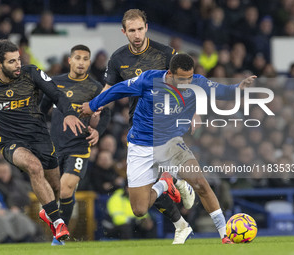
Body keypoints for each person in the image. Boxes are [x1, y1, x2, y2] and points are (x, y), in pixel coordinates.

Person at [82, 53, 257, 244]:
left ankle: (224, 234)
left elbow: (221, 91)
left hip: (171, 143)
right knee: (140, 209)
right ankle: (165, 183)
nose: (186, 82)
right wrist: (93, 105)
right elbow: (117, 90)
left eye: (189, 77)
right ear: (170, 73)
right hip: (140, 146)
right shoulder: (149, 80)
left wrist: (238, 88)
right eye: (182, 78)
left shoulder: (198, 83)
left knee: (200, 183)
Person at [0, 39, 85, 242]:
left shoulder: (32, 73)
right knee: (34, 167)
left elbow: (57, 94)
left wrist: (70, 113)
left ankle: (48, 213)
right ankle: (57, 222)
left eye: (18, 59)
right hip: (11, 142)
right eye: (11, 62)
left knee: (57, 187)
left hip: (40, 138)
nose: (18, 64)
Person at [101, 9, 195, 244]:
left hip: (167, 123)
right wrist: (95, 109)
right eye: (131, 30)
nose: (137, 34)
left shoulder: (165, 53)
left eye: (140, 29)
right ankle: (180, 221)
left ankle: (177, 189)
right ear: (124, 32)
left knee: (176, 172)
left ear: (146, 28)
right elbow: (108, 90)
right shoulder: (118, 59)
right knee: (141, 204)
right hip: (139, 126)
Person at [40, 44, 111, 245]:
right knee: (55, 190)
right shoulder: (55, 83)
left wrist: (99, 130)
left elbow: (106, 112)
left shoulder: (95, 87)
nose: (81, 62)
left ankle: (59, 236)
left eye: (85, 59)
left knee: (65, 190)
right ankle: (57, 227)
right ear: (70, 60)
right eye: (77, 58)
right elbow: (42, 109)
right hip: (54, 145)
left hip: (79, 146)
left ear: (89, 62)